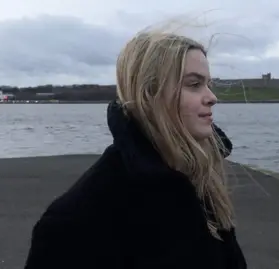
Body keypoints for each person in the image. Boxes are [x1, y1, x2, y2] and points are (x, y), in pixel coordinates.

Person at [24, 29, 247, 269]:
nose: (212, 97)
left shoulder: (198, 183)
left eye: (208, 84)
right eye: (194, 84)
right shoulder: (78, 217)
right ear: (148, 94)